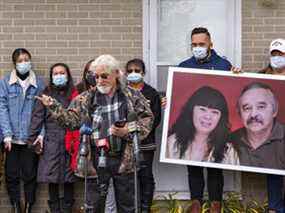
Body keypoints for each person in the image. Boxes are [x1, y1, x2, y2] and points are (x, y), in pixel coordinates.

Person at [35, 54, 154, 213]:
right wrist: (53, 106)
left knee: (128, 206)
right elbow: (71, 122)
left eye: (104, 76)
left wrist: (128, 130)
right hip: (96, 157)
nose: (99, 81)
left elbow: (147, 119)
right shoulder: (86, 98)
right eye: (96, 76)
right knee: (94, 206)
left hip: (124, 157)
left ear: (116, 74)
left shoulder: (131, 96)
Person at [178, 27, 235, 212]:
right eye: (194, 44)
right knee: (193, 164)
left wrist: (238, 76)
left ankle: (215, 205)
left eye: (201, 44)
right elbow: (179, 95)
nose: (198, 47)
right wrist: (169, 100)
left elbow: (232, 93)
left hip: (216, 125)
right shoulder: (184, 66)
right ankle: (196, 203)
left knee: (215, 166)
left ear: (211, 44)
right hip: (192, 127)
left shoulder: (224, 65)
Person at [27, 63, 79, 213]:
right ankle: (55, 210)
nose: (59, 76)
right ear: (51, 77)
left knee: (69, 178)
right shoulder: (46, 93)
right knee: (52, 179)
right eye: (55, 73)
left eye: (62, 73)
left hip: (71, 141)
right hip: (51, 143)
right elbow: (37, 118)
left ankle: (67, 209)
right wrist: (32, 140)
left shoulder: (74, 94)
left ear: (67, 75)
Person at [0, 48, 45, 213]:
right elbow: (2, 109)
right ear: (15, 63)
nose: (24, 63)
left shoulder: (39, 83)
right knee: (11, 175)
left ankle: (28, 207)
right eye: (20, 60)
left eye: (26, 59)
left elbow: (43, 112)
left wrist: (41, 134)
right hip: (10, 139)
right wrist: (6, 135)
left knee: (30, 174)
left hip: (30, 138)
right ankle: (15, 206)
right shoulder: (5, 82)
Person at [167, 86, 239, 165]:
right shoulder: (172, 143)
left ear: (221, 118)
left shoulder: (229, 152)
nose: (208, 116)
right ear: (192, 110)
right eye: (202, 109)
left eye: (214, 112)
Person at [125, 58, 162, 213]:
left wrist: (141, 133)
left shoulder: (151, 93)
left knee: (145, 175)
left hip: (146, 142)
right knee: (128, 177)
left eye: (137, 70)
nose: (133, 73)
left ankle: (145, 207)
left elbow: (156, 118)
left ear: (143, 73)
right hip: (125, 142)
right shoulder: (121, 92)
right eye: (130, 71)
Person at [259, 39, 285, 213]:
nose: (276, 57)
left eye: (280, 54)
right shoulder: (261, 76)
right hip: (272, 134)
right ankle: (275, 208)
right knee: (274, 172)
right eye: (273, 54)